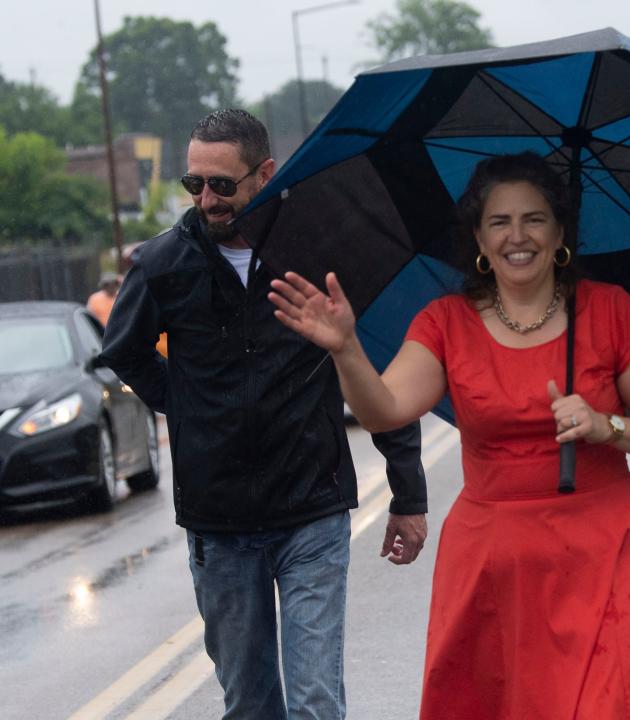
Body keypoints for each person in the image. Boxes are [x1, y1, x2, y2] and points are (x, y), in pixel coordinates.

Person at [268, 152, 630, 719]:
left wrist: (606, 425)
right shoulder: (445, 322)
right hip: (493, 563)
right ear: (478, 236)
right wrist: (347, 351)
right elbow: (385, 410)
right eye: (499, 222)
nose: (517, 237)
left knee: (606, 704)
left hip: (604, 553)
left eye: (535, 219)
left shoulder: (610, 311)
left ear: (561, 231)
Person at [100, 109, 428, 720]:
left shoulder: (314, 255)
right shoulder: (162, 264)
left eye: (222, 184)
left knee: (313, 700)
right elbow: (123, 349)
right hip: (218, 522)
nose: (206, 198)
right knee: (250, 704)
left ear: (265, 174)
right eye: (194, 183)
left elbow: (377, 368)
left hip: (313, 509)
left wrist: (408, 494)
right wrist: (183, 401)